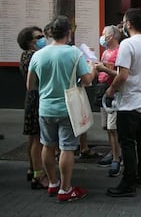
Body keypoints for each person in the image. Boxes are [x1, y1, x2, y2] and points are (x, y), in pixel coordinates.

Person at [27, 15, 96, 202]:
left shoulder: (37, 55)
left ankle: (52, 183)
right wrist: (92, 68)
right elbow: (88, 80)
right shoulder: (74, 53)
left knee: (47, 145)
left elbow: (30, 85)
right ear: (68, 32)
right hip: (67, 109)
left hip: (45, 108)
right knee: (67, 147)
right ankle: (66, 189)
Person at [105, 8, 141, 197]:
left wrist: (111, 90)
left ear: (129, 24)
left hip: (130, 102)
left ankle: (128, 183)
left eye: (124, 22)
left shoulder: (128, 44)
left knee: (127, 143)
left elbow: (123, 75)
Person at [17, 26, 49, 189]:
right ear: (30, 42)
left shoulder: (26, 56)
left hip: (31, 99)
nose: (43, 38)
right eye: (39, 37)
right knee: (38, 139)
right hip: (37, 99)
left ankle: (32, 169)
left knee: (32, 137)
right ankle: (39, 174)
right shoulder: (34, 56)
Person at [94, 25, 121, 177]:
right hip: (102, 90)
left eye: (105, 34)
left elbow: (119, 74)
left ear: (112, 36)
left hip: (113, 92)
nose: (103, 37)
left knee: (113, 127)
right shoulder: (105, 52)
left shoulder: (119, 52)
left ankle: (117, 158)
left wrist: (103, 69)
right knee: (106, 126)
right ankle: (113, 152)